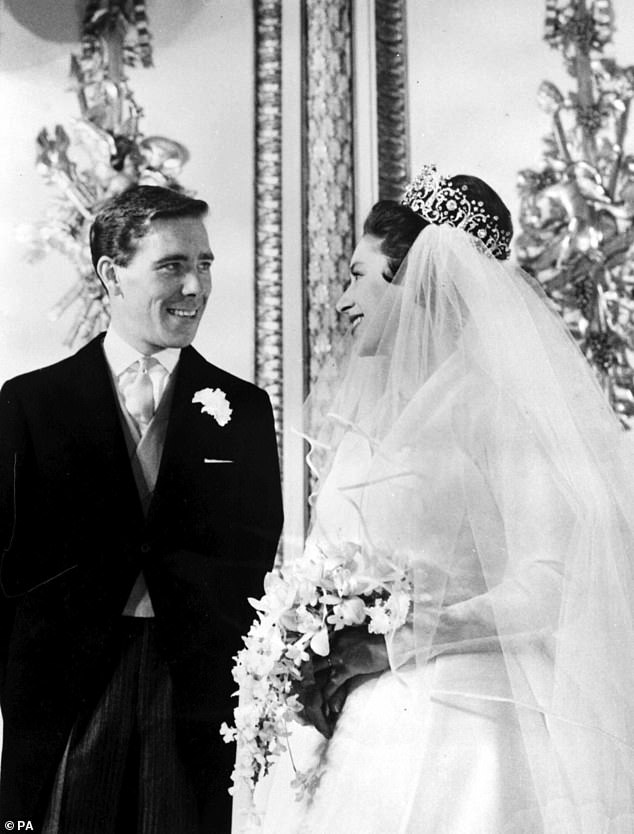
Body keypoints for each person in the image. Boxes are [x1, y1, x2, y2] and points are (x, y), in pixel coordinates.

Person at [247, 167, 634, 833]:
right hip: (349, 725)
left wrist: (403, 638)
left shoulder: (499, 409)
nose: (341, 301)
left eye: (358, 275)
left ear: (416, 280)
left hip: (469, 724)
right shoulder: (359, 424)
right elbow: (322, 564)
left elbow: (546, 585)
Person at [0, 185, 283, 834]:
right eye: (172, 265)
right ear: (109, 273)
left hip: (191, 696)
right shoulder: (30, 404)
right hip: (67, 693)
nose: (196, 286)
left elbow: (254, 558)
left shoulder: (242, 410)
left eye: (204, 264)